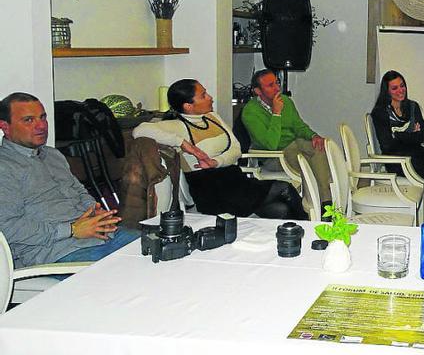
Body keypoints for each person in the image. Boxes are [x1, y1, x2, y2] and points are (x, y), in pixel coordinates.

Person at [0, 92, 139, 268]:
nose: (41, 126)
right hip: (58, 251)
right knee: (132, 271)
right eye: (29, 120)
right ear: (5, 126)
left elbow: (78, 190)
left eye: (43, 117)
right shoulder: (4, 167)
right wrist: (72, 230)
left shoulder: (53, 155)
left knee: (166, 250)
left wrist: (94, 210)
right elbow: (7, 227)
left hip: (100, 235)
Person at [133, 79, 306, 219]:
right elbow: (139, 130)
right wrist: (183, 143)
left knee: (281, 210)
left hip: (234, 179)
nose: (210, 97)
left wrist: (217, 161)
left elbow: (236, 149)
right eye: (203, 96)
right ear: (188, 106)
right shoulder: (178, 126)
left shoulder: (213, 117)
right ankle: (315, 236)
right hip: (211, 190)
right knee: (284, 188)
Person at [371, 70, 424, 217]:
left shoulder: (412, 107)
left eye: (402, 86)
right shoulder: (380, 113)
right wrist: (411, 134)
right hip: (396, 159)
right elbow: (387, 145)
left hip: (415, 151)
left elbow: (423, 136)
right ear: (387, 91)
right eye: (394, 88)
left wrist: (398, 134)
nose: (400, 90)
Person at [242, 69, 332, 205]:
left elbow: (299, 127)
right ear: (258, 91)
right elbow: (271, 144)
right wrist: (276, 114)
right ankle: (317, 205)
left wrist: (314, 136)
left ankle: (325, 203)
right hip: (275, 157)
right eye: (270, 85)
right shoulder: (250, 112)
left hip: (295, 146)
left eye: (277, 83)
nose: (277, 88)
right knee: (312, 165)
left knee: (319, 147)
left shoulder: (286, 101)